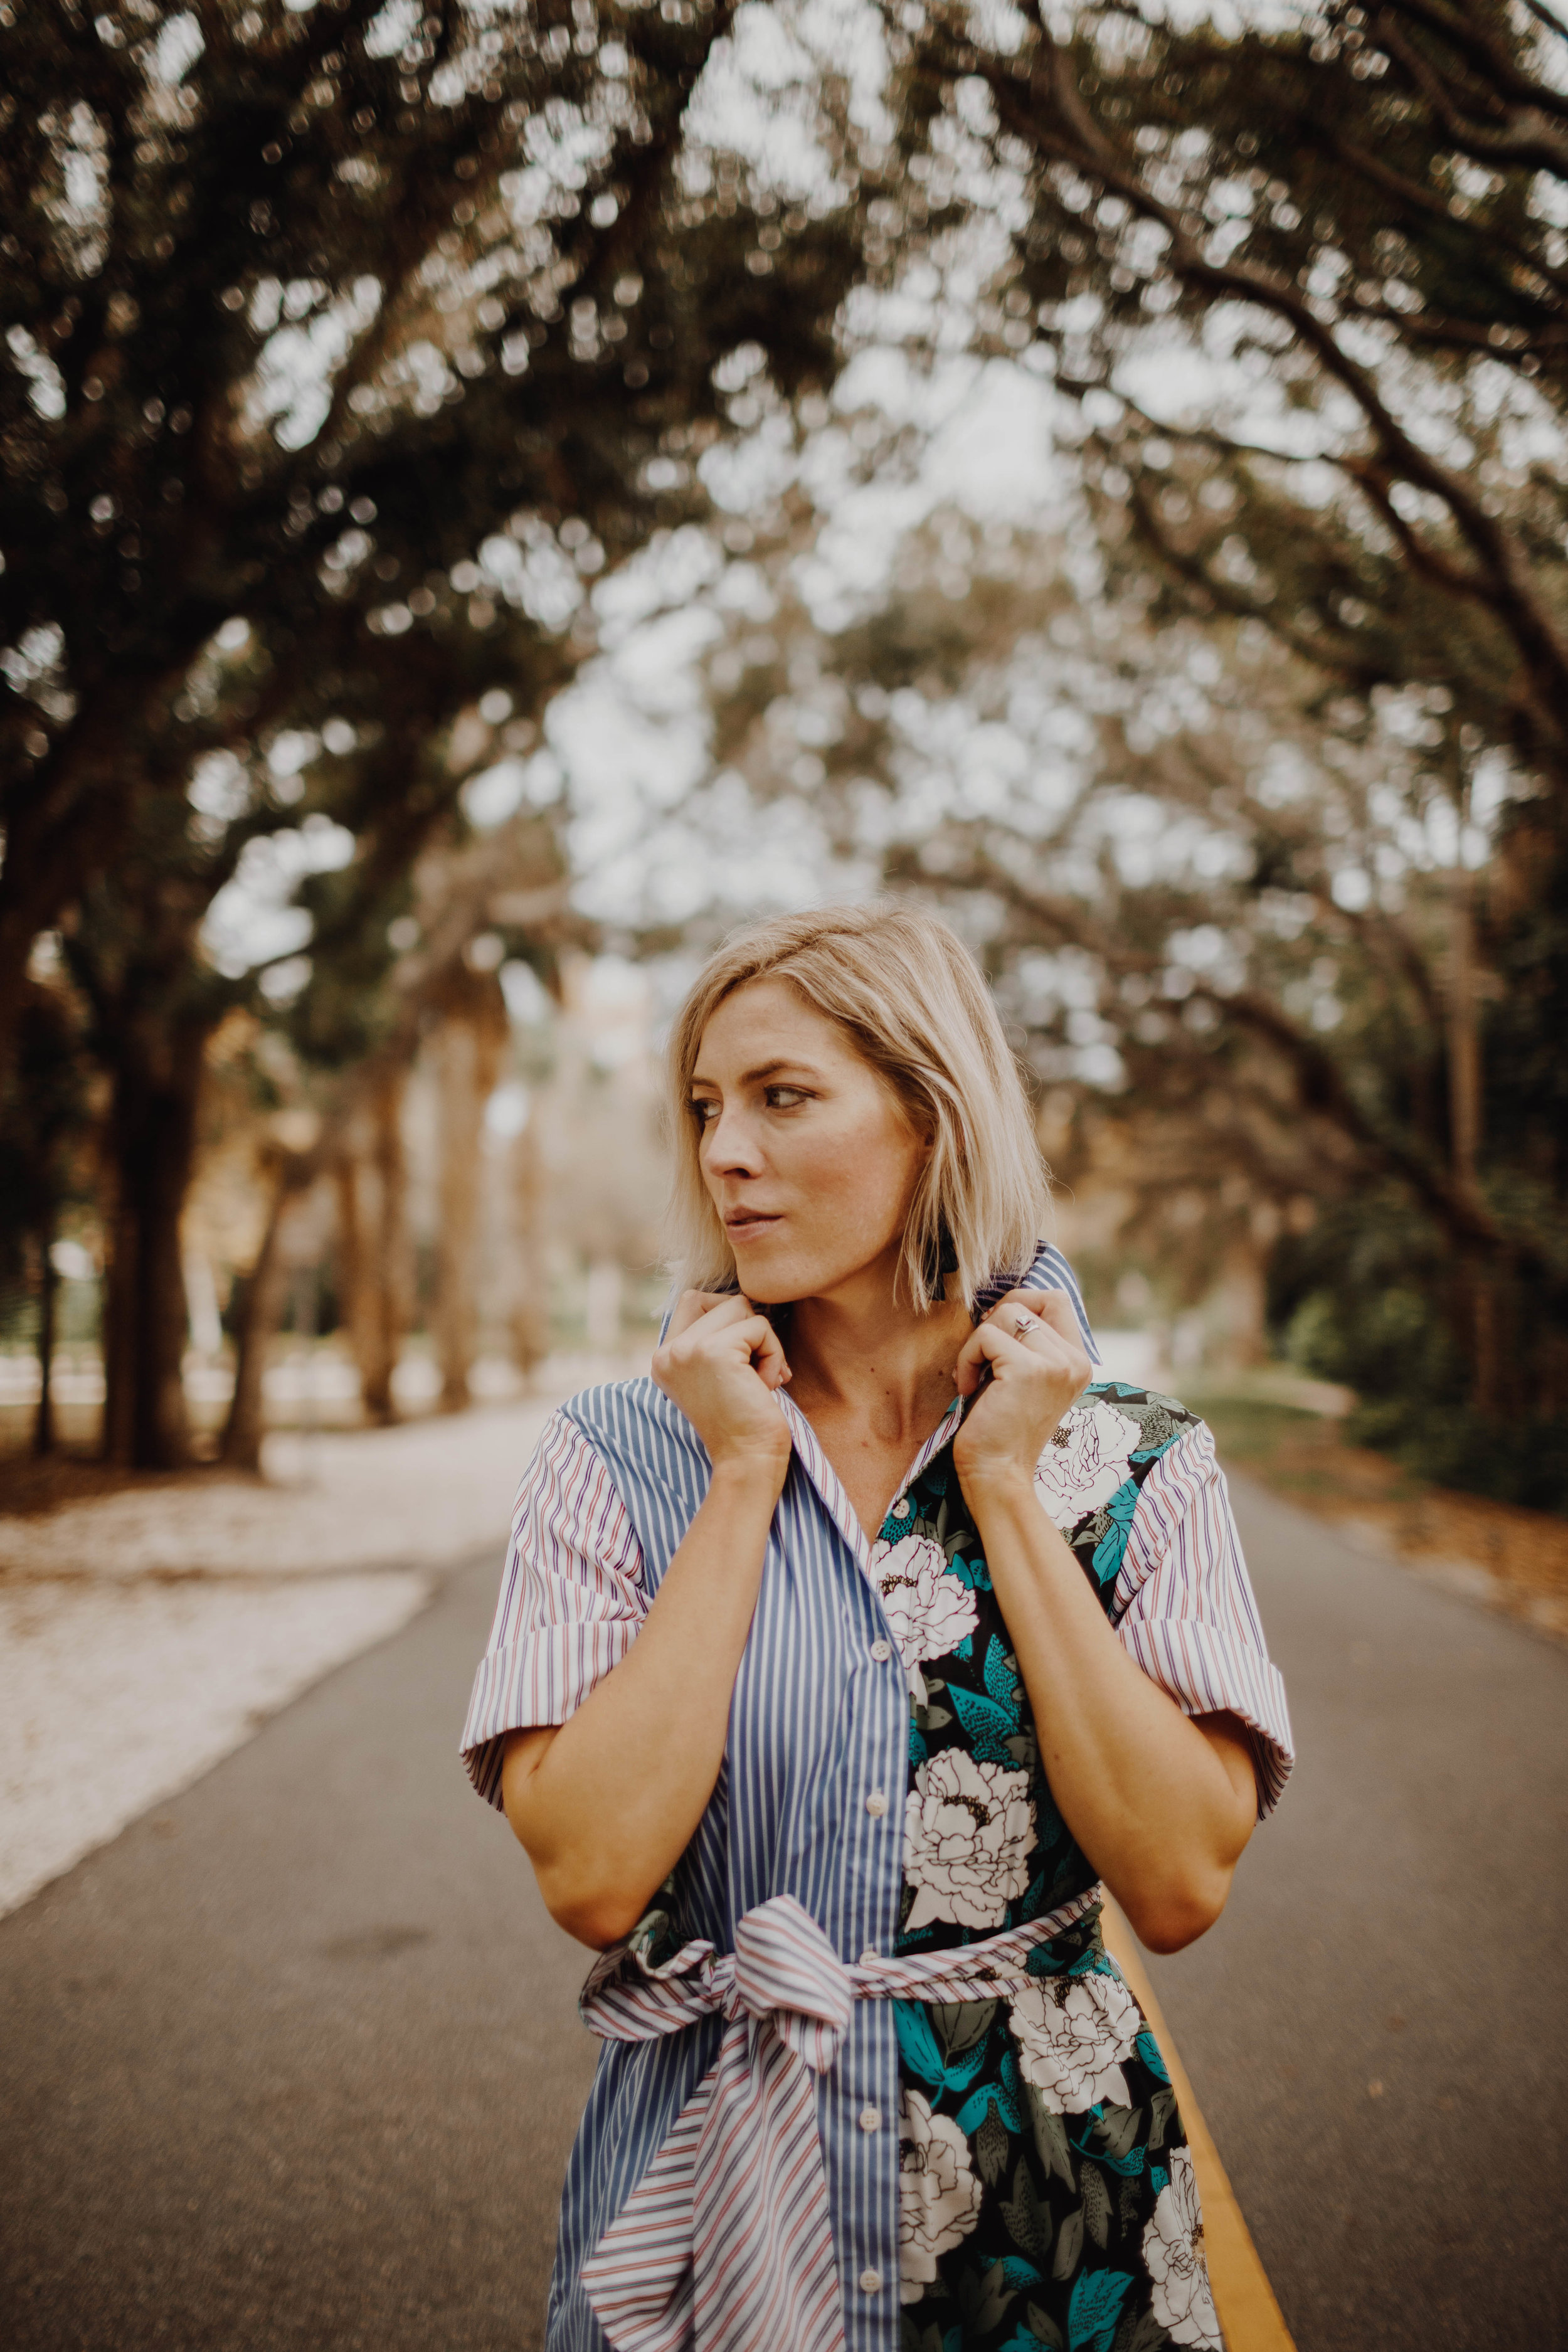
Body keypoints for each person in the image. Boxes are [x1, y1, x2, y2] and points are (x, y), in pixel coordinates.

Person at [461, 904, 1293, 2352]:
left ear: (934, 1118)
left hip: (1047, 2207)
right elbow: (592, 1878)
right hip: (721, 2183)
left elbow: (1172, 1885)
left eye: (784, 1099)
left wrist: (1003, 1490)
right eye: (708, 1107)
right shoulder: (614, 1458)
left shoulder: (1139, 1461)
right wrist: (738, 1476)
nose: (724, 1152)